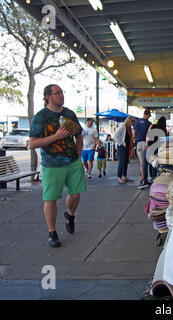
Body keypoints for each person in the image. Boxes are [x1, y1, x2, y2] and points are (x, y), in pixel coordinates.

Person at [29, 84, 86, 248]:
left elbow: (79, 136)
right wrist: (56, 136)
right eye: (57, 93)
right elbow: (32, 143)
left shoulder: (69, 113)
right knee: (51, 198)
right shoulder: (41, 117)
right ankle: (52, 232)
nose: (61, 95)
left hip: (72, 161)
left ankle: (70, 214)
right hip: (52, 164)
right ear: (48, 96)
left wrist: (78, 154)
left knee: (75, 194)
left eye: (62, 92)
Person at [145, 116, 168, 182]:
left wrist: (147, 144)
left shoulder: (152, 126)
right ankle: (155, 177)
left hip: (151, 146)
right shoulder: (164, 129)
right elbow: (165, 139)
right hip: (158, 147)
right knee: (156, 162)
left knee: (150, 162)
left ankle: (151, 177)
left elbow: (148, 135)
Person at [113, 116, 135, 184]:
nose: (133, 123)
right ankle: (119, 177)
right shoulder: (122, 126)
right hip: (122, 147)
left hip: (127, 146)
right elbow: (115, 136)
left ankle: (124, 176)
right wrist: (121, 143)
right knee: (121, 162)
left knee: (125, 162)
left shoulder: (129, 127)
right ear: (129, 121)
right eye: (132, 121)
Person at [133, 108, 152, 189]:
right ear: (147, 115)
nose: (149, 117)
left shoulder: (136, 122)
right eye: (149, 116)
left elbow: (134, 135)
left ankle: (143, 178)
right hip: (146, 144)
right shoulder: (149, 123)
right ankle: (148, 178)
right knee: (148, 162)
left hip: (139, 143)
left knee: (141, 162)